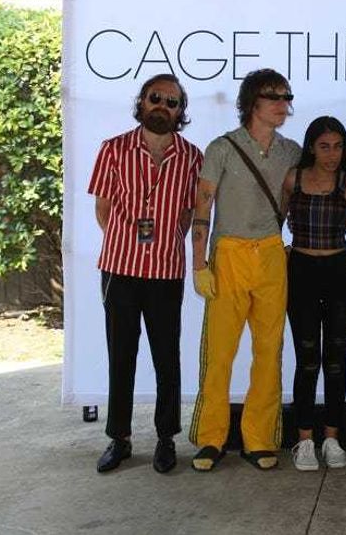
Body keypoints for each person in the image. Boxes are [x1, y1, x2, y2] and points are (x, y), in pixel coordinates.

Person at [88, 74, 202, 474]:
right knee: (121, 355)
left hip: (166, 272)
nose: (162, 106)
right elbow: (103, 209)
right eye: (156, 97)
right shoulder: (113, 149)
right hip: (119, 269)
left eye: (172, 102)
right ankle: (119, 438)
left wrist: (162, 243)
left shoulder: (192, 157)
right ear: (141, 102)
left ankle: (166, 438)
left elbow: (188, 214)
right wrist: (129, 244)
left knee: (167, 358)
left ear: (180, 111)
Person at [188, 68, 301, 472]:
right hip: (229, 253)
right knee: (219, 353)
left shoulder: (292, 151)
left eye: (286, 97)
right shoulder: (222, 147)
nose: (282, 104)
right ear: (252, 102)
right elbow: (202, 205)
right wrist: (199, 263)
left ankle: (259, 438)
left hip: (271, 253)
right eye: (274, 96)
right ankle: (210, 438)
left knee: (269, 352)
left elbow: (304, 194)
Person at [281, 116, 346, 471]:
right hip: (301, 271)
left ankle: (331, 438)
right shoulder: (293, 179)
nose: (332, 154)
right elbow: (276, 220)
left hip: (339, 272)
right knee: (307, 359)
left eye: (338, 146)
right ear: (311, 147)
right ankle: (304, 441)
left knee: (335, 360)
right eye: (324, 146)